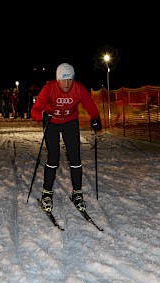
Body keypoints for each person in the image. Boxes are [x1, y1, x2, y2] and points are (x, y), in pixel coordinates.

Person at [31, 63, 102, 213]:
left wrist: (95, 118)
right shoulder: (50, 87)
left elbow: (91, 106)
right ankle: (47, 192)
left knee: (75, 158)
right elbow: (35, 111)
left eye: (70, 79)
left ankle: (77, 192)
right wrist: (43, 115)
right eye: (64, 80)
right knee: (53, 157)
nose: (67, 83)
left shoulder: (78, 88)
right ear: (58, 80)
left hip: (70, 122)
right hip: (52, 122)